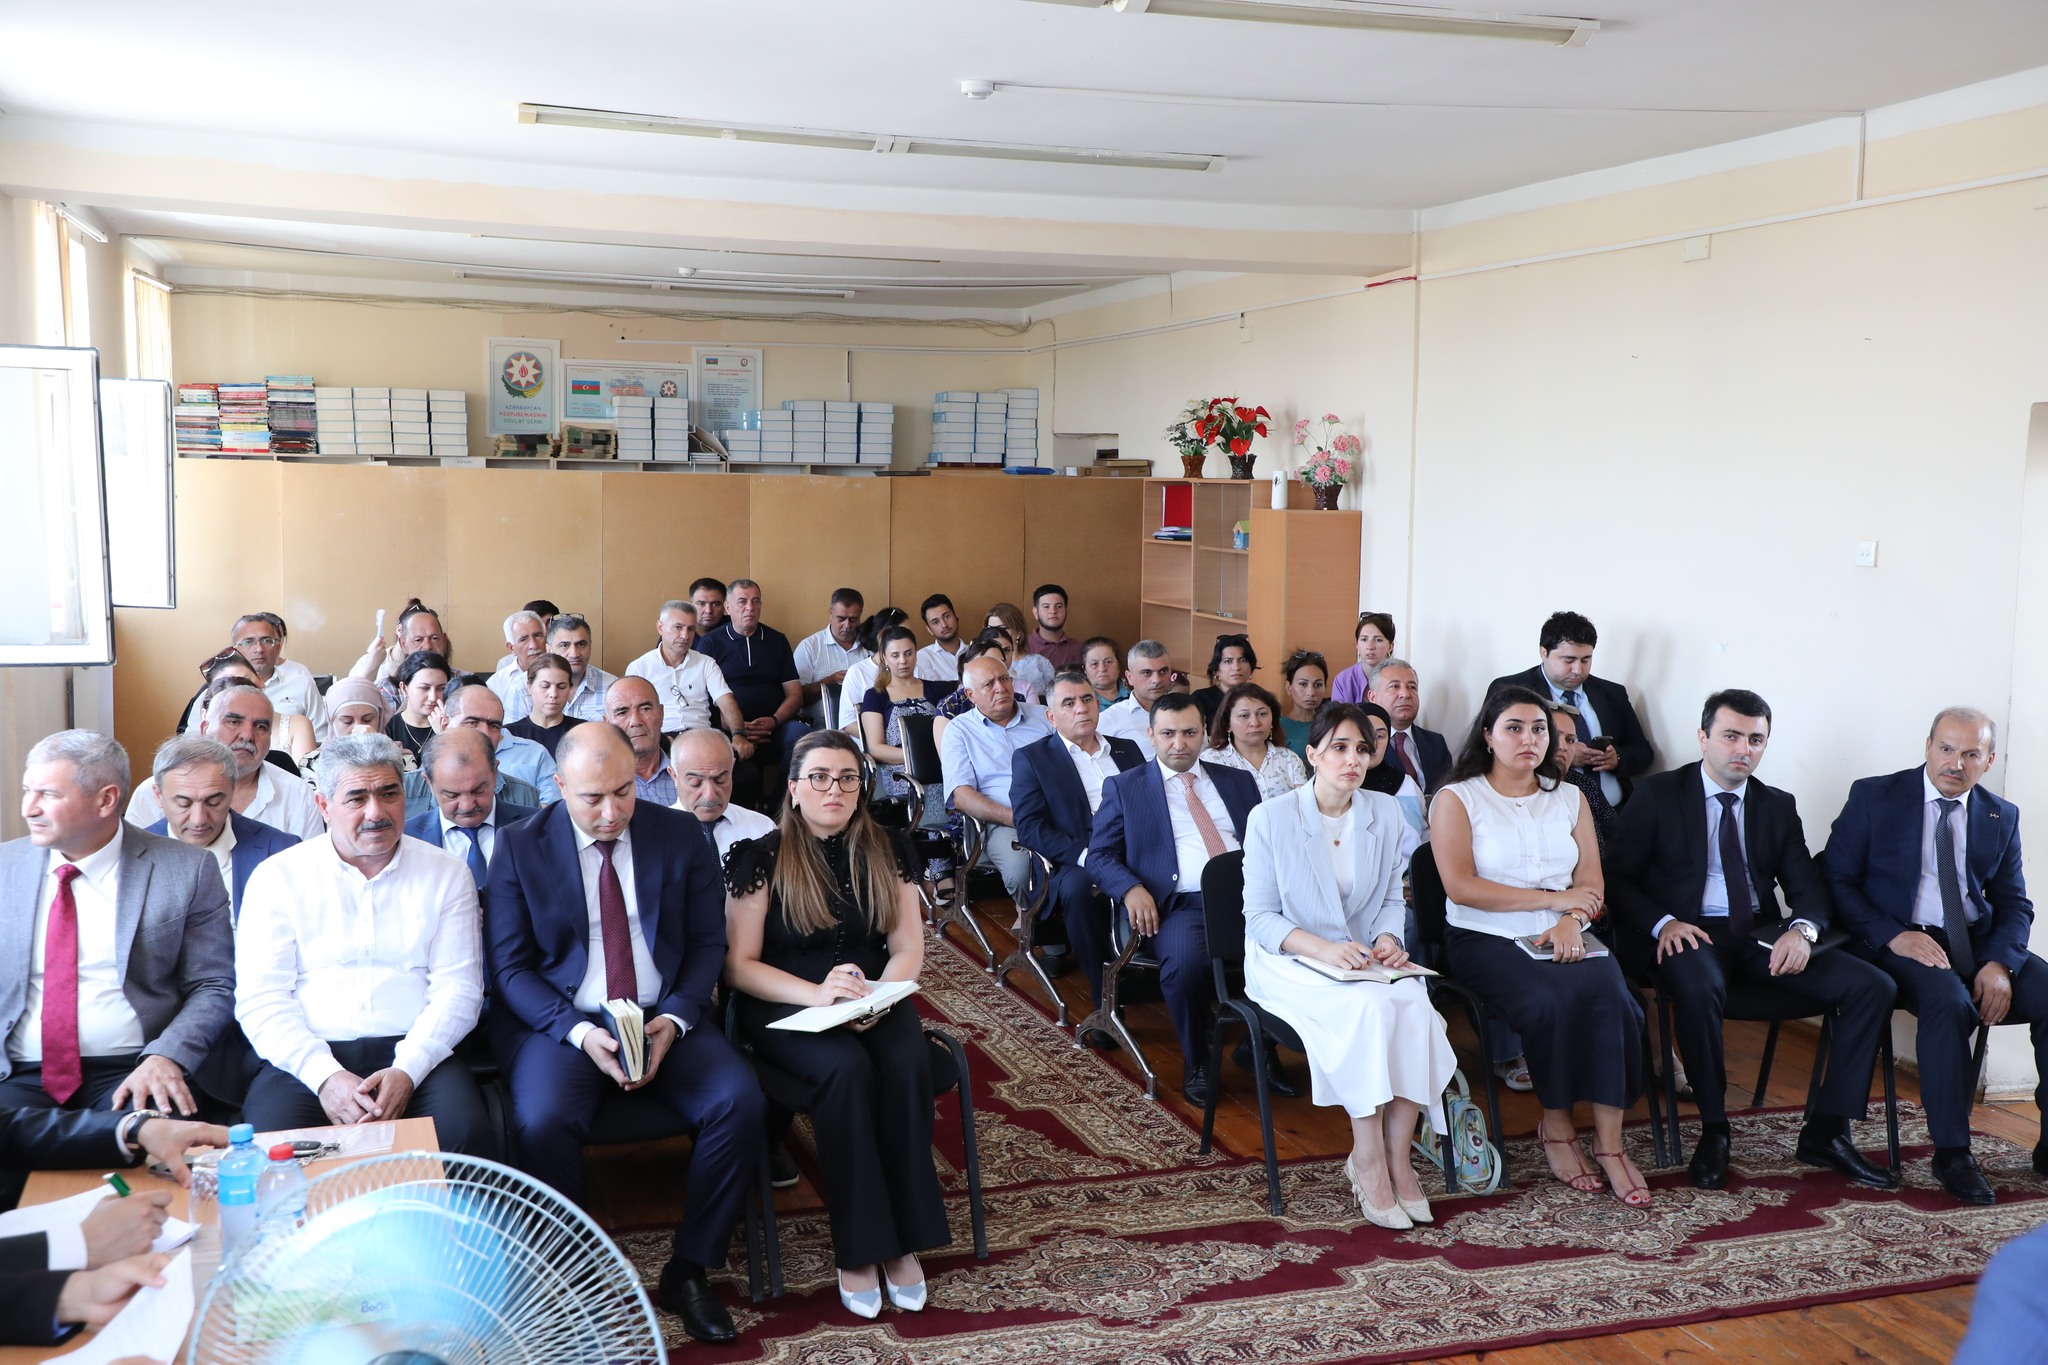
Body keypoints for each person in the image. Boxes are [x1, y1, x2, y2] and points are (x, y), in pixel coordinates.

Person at [482, 723, 762, 1343]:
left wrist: (677, 1018)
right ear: (560, 787)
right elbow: (510, 968)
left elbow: (706, 943)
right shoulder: (520, 845)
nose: (612, 813)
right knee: (541, 1121)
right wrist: (578, 1034)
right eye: (592, 798)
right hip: (564, 1019)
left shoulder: (679, 833)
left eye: (623, 792)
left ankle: (689, 1269)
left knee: (740, 1101)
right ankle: (581, 1272)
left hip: (663, 1011)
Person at [1606, 690, 1898, 1192]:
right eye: (1731, 736)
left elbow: (1807, 888)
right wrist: (1663, 923)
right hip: (1689, 930)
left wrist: (1802, 931)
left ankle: (1827, 1130)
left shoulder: (1776, 805)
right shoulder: (1657, 795)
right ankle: (1715, 1128)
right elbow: (1617, 877)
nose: (1743, 749)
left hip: (1760, 934)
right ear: (1703, 738)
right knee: (1699, 986)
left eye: (1756, 739)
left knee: (1873, 986)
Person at [725, 731, 948, 1318]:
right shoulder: (761, 856)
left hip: (871, 993)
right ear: (794, 788)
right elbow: (739, 966)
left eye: (848, 778)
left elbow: (907, 946)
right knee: (846, 1072)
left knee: (907, 1061)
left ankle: (904, 1240)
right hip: (787, 1001)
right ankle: (862, 1247)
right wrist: (819, 997)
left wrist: (877, 997)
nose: (835, 789)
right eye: (819, 777)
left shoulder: (889, 848)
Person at [1431, 686, 1649, 1205]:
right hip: (1486, 935)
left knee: (1616, 999)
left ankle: (1611, 1143)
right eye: (1514, 728)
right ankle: (1557, 1126)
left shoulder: (1569, 797)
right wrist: (1556, 900)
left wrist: (1572, 918)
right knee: (1551, 1000)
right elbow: (1461, 888)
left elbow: (1591, 882)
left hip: (1566, 928)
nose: (1528, 739)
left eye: (1538, 729)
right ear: (1488, 736)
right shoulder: (1457, 798)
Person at [1823, 706, 2048, 1206]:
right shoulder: (1875, 796)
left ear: (1988, 760)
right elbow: (1836, 880)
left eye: (1970, 754)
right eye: (1946, 749)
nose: (1955, 763)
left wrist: (2000, 963)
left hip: (1974, 941)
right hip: (1896, 940)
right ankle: (1952, 1153)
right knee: (1948, 1002)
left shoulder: (2000, 815)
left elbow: (2014, 902)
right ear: (1927, 746)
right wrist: (1892, 936)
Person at [1241, 702, 1454, 1228]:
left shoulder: (1383, 811)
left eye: (1363, 748)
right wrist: (1322, 949)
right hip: (1290, 957)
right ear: (1312, 754)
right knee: (1370, 1012)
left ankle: (1400, 1158)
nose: (1353, 759)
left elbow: (1390, 897)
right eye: (1339, 748)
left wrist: (1387, 938)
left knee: (1416, 1006)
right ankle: (1368, 1158)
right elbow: (1260, 918)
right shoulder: (1272, 816)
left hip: (1359, 954)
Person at [235, 734, 490, 1155]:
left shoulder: (446, 873)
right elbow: (261, 999)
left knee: (465, 1137)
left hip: (418, 1048)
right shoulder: (278, 877)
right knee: (273, 1148)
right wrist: (325, 1077)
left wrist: (407, 1071)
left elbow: (459, 990)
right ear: (323, 806)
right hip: (306, 1056)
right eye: (356, 798)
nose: (376, 812)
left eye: (389, 793)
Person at [2, 731, 237, 1118]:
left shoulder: (186, 869)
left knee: (151, 1136)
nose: (29, 808)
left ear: (106, 800)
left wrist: (167, 1055)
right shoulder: (5, 868)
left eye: (49, 795)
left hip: (137, 1068)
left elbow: (213, 984)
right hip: (14, 1074)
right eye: (28, 791)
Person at [1087, 693, 1272, 1104]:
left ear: (1204, 732)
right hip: (1180, 905)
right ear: (1151, 735)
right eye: (1168, 734)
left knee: (1298, 950)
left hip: (1250, 898)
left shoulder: (1236, 781)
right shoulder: (1126, 787)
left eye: (1189, 733)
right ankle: (1198, 1059)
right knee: (1186, 966)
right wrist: (1131, 889)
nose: (1179, 743)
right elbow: (1099, 855)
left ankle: (1262, 1047)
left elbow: (1267, 842)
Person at [1011, 669, 1148, 1012]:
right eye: (1069, 703)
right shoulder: (1033, 758)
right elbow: (1029, 827)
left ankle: (1168, 975)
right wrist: (1086, 855)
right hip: (1075, 858)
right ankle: (1105, 1000)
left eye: (1087, 699)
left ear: (1098, 705)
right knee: (1081, 888)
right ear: (1051, 716)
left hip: (1135, 848)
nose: (1081, 708)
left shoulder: (1126, 750)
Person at [1488, 611, 1652, 810]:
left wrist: (1616, 758)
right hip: (1544, 812)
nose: (1578, 670)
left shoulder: (1612, 693)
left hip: (1615, 811)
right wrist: (1561, 756)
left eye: (1586, 660)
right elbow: (1494, 754)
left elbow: (1643, 752)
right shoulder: (1510, 690)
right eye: (1568, 660)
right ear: (1544, 652)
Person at [127, 684, 325, 841]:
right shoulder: (155, 792)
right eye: (233, 722)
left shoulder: (297, 794)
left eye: (260, 726)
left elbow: (309, 871)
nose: (247, 735)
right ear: (205, 728)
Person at [140, 737, 298, 922]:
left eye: (213, 802)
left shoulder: (283, 852)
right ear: (158, 796)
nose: (199, 819)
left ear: (233, 792)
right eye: (183, 804)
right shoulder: (130, 855)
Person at [939, 655, 1054, 895]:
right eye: (988, 684)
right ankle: (1031, 915)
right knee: (1021, 871)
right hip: (1001, 821)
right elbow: (961, 796)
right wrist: (1016, 818)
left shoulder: (1044, 716)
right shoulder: (959, 730)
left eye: (1004, 679)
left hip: (1057, 812)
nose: (1000, 688)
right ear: (971, 695)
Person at [695, 580, 807, 789]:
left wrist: (774, 720)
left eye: (755, 601)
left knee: (802, 738)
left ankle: (780, 804)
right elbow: (702, 698)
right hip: (728, 729)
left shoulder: (777, 640)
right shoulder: (710, 643)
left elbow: (795, 694)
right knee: (741, 771)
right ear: (728, 607)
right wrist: (737, 727)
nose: (750, 607)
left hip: (775, 726)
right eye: (742, 602)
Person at [403, 729, 539, 888]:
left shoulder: (538, 828)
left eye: (478, 790)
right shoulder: (406, 839)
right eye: (452, 795)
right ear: (429, 783)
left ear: (495, 773)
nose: (467, 805)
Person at [860, 627, 955, 822]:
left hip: (941, 766)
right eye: (895, 655)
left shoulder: (938, 690)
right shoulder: (875, 695)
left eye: (908, 653)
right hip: (901, 773)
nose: (903, 661)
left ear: (916, 654)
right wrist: (918, 758)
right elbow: (876, 748)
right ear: (885, 658)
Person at [429, 678, 557, 808]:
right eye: (472, 722)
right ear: (445, 724)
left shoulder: (525, 794)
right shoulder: (417, 786)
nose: (485, 733)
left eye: (494, 725)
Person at [625, 601, 745, 739]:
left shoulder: (706, 663)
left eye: (691, 629)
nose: (685, 636)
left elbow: (726, 702)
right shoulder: (639, 668)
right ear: (660, 627)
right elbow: (631, 715)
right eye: (678, 627)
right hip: (660, 739)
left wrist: (739, 735)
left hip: (701, 737)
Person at [670, 729, 775, 861]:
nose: (709, 795)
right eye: (695, 782)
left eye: (720, 780)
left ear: (732, 768)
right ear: (674, 776)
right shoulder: (654, 835)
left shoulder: (763, 829)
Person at [228, 612, 325, 753]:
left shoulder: (301, 684)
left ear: (278, 648)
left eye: (267, 641)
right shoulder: (219, 689)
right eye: (248, 642)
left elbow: (321, 739)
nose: (259, 649)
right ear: (235, 650)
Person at [1204, 681, 1307, 801]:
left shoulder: (1290, 759)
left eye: (1262, 714)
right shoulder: (1210, 760)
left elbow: (1303, 806)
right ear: (1228, 724)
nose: (1255, 723)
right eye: (1244, 716)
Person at [1370, 658, 1453, 797]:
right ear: (1373, 697)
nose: (1405, 694)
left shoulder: (1436, 742)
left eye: (1412, 687)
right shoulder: (1364, 746)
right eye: (1394, 686)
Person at [794, 588, 871, 725]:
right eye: (841, 619)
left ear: (860, 615)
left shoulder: (870, 647)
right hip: (819, 726)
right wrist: (829, 682)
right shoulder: (809, 647)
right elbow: (796, 698)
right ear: (830, 614)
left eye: (853, 619)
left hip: (864, 724)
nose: (847, 626)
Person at [1548, 706, 1617, 850]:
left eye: (1570, 740)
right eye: (1554, 736)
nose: (1563, 746)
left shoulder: (1584, 784)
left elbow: (1616, 837)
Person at [837, 608, 914, 735]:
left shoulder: (916, 667)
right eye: (901, 633)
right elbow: (848, 723)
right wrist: (886, 737)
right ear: (882, 636)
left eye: (909, 633)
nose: (907, 639)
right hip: (872, 743)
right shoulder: (858, 672)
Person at [1098, 640, 1176, 759]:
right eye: (1147, 673)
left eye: (1163, 671)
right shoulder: (1109, 720)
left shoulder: (1187, 713)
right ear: (1129, 677)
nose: (1157, 680)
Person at [352, 598, 453, 690]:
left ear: (443, 640)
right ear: (403, 643)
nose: (427, 646)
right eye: (418, 640)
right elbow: (352, 698)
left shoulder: (455, 679)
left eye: (435, 638)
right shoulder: (385, 685)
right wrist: (372, 666)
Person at [607, 677, 678, 806]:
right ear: (607, 723)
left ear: (661, 714)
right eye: (622, 713)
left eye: (645, 709)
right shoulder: (596, 781)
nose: (635, 721)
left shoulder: (689, 774)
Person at [506, 652, 586, 757]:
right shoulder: (509, 735)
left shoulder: (584, 731)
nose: (553, 694)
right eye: (545, 686)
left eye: (561, 687)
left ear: (570, 689)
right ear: (530, 687)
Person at [546, 614, 617, 723]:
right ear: (549, 649)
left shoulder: (612, 686)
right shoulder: (524, 688)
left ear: (590, 645)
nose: (574, 654)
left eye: (581, 644)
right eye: (565, 645)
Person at [384, 650, 451, 763]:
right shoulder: (387, 729)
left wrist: (444, 735)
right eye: (424, 688)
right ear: (404, 688)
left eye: (441, 688)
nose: (433, 697)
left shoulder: (453, 725)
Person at [486, 609, 552, 722]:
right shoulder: (497, 684)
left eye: (538, 635)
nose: (533, 645)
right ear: (511, 648)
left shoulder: (563, 674)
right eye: (523, 639)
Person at [985, 604, 1054, 701]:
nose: (995, 634)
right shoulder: (983, 664)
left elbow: (1055, 698)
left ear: (1018, 632)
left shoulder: (1041, 663)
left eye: (1002, 629)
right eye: (990, 629)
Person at [1330, 612, 1397, 705]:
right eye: (1364, 639)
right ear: (1356, 644)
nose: (1370, 646)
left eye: (1378, 640)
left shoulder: (1400, 677)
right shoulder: (1343, 680)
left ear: (1390, 647)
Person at [1192, 634, 1257, 728]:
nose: (1236, 667)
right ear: (1216, 670)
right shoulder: (1200, 699)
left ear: (1251, 668)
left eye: (1243, 660)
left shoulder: (1259, 698)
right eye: (1228, 661)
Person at [1279, 651, 1329, 759]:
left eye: (1318, 685)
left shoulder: (1331, 725)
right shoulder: (1277, 728)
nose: (1311, 692)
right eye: (1303, 684)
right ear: (1289, 688)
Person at [1027, 584, 1084, 669]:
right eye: (1046, 606)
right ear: (1036, 613)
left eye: (1059, 606)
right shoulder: (1022, 646)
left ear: (1066, 611)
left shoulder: (1080, 648)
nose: (1053, 611)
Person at [917, 594, 967, 682]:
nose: (944, 625)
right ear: (929, 630)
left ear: (956, 616)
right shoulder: (923, 657)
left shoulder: (975, 652)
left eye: (947, 616)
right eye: (935, 622)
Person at [1082, 636, 1128, 707]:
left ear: (1118, 665)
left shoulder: (1135, 698)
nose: (1102, 669)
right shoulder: (1081, 704)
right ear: (1085, 670)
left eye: (1108, 662)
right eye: (1094, 664)